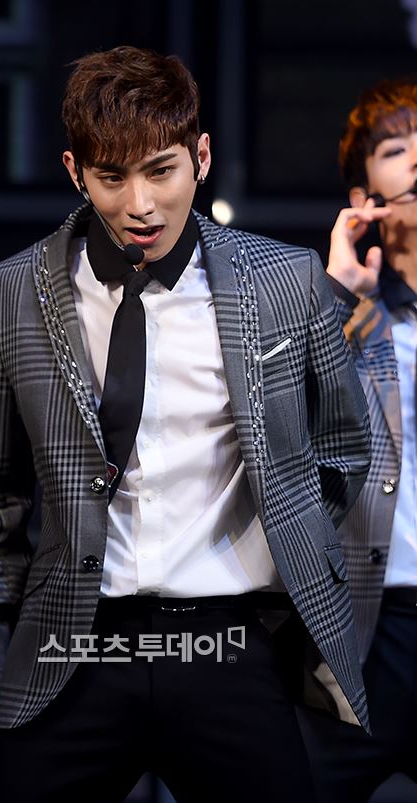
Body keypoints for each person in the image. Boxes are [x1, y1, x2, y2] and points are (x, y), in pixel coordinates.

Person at [0, 45, 371, 803]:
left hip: (229, 643)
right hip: (71, 645)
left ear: (200, 158)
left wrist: (289, 553)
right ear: (76, 172)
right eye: (112, 177)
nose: (140, 204)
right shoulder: (8, 295)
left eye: (161, 170)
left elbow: (342, 449)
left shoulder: (286, 280)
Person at [299, 78, 417, 802]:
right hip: (369, 633)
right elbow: (280, 437)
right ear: (363, 194)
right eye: (398, 149)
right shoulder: (345, 312)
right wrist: (338, 298)